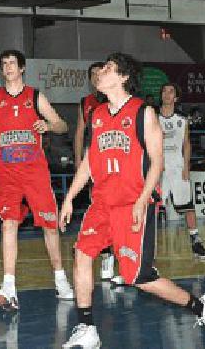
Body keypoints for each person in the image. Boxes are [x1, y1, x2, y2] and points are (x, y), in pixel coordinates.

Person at [59, 53, 205, 348]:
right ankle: (87, 328)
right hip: (101, 203)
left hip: (131, 203)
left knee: (140, 277)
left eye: (108, 68)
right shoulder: (96, 115)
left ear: (123, 77)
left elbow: (159, 162)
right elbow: (88, 161)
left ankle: (202, 307)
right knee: (82, 254)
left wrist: (142, 199)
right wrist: (70, 197)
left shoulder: (142, 112)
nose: (101, 72)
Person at [0, 49, 75, 311]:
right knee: (8, 223)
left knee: (49, 225)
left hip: (34, 172)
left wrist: (48, 126)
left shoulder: (34, 96)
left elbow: (63, 125)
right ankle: (9, 285)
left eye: (12, 63)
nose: (8, 67)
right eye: (4, 63)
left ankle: (61, 279)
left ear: (22, 68)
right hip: (5, 172)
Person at [73, 62, 120, 284]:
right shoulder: (85, 103)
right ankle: (106, 253)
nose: (95, 77)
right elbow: (80, 133)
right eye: (91, 75)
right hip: (93, 162)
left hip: (116, 161)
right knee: (99, 208)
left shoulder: (115, 100)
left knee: (118, 208)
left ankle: (124, 254)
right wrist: (78, 161)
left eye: (98, 73)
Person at [159, 82, 205, 259]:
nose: (167, 94)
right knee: (151, 208)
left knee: (188, 207)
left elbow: (186, 143)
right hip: (158, 168)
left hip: (177, 166)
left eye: (170, 91)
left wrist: (186, 167)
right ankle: (144, 247)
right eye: (164, 91)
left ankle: (196, 242)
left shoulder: (182, 119)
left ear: (176, 97)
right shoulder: (151, 116)